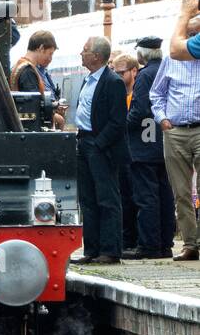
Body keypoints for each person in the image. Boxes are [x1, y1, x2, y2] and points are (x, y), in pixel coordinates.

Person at [70, 36, 127, 265]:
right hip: (83, 142)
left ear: (96, 56)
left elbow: (117, 120)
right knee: (88, 199)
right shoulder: (87, 81)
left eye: (84, 50)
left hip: (100, 145)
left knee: (107, 198)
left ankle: (110, 250)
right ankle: (91, 249)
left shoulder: (112, 82)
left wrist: (99, 144)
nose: (81, 54)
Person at [152, 1, 200, 260]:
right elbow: (156, 93)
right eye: (190, 35)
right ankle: (190, 244)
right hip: (176, 131)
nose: (193, 40)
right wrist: (163, 119)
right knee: (181, 192)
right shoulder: (171, 60)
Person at [123, 37, 175, 259]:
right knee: (165, 195)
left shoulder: (144, 75)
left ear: (142, 55)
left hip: (144, 146)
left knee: (146, 198)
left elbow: (141, 109)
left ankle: (149, 246)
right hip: (164, 143)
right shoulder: (167, 70)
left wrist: (121, 126)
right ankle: (165, 244)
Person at [112, 52, 140, 252]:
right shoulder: (117, 94)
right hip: (121, 154)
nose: (117, 77)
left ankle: (134, 238)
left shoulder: (137, 96)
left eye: (121, 73)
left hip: (136, 154)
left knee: (134, 197)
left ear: (133, 71)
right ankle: (126, 238)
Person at [9, 29, 66, 129]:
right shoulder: (28, 71)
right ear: (41, 48)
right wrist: (56, 116)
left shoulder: (18, 66)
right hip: (31, 128)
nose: (50, 58)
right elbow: (34, 106)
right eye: (50, 53)